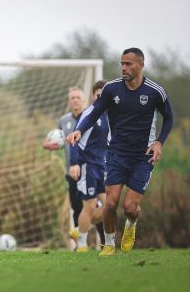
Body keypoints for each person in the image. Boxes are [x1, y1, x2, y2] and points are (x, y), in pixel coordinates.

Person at [67, 48, 173, 256]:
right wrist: (79, 129)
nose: (124, 68)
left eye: (129, 64)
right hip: (116, 154)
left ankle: (131, 226)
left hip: (143, 157)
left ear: (141, 65)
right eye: (122, 63)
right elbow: (95, 112)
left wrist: (159, 142)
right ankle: (108, 245)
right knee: (110, 203)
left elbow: (168, 118)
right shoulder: (111, 89)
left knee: (130, 207)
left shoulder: (155, 92)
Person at [69, 80, 108, 252]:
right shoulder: (89, 114)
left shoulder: (110, 116)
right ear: (93, 96)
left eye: (104, 95)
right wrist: (74, 164)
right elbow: (73, 140)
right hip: (88, 166)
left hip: (103, 167)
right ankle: (83, 245)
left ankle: (79, 231)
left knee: (110, 207)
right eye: (98, 95)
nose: (101, 98)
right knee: (90, 206)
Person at [43, 87, 85, 243]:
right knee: (76, 207)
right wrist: (48, 145)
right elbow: (54, 140)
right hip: (70, 172)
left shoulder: (90, 118)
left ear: (84, 100)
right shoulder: (64, 120)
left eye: (78, 97)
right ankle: (80, 244)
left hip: (89, 170)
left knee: (93, 207)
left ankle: (104, 242)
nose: (75, 100)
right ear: (69, 101)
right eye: (72, 98)